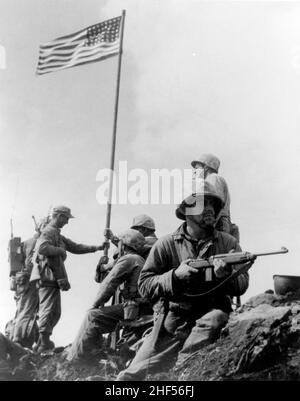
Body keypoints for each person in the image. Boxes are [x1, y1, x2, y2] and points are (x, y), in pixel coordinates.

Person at [116, 182, 251, 381]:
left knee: (213, 321)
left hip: (211, 318)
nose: (210, 209)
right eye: (201, 204)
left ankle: (182, 368)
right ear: (187, 210)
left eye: (212, 204)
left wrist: (227, 276)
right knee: (128, 378)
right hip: (173, 323)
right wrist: (175, 276)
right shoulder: (166, 244)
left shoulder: (228, 243)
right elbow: (144, 285)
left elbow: (243, 284)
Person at [67, 229, 152, 362]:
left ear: (123, 246)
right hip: (141, 307)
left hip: (136, 308)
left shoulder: (129, 259)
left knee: (93, 316)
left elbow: (109, 283)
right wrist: (112, 239)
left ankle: (76, 359)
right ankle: (95, 352)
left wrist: (95, 304)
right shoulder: (138, 259)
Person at [31, 205, 106, 353]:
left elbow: (75, 247)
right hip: (48, 276)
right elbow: (42, 248)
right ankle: (43, 343)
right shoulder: (49, 232)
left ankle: (42, 342)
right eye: (66, 218)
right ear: (58, 216)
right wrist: (60, 250)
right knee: (49, 310)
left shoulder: (57, 234)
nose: (67, 222)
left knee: (54, 311)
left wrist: (96, 247)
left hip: (53, 277)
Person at [11, 217, 49, 349]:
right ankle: (18, 342)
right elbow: (29, 264)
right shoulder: (39, 242)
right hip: (29, 279)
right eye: (46, 226)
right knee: (27, 311)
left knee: (25, 311)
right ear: (41, 227)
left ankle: (31, 340)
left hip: (21, 281)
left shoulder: (26, 242)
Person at [191, 153, 231, 234]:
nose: (194, 172)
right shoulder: (212, 179)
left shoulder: (213, 178)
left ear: (205, 168)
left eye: (196, 168)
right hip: (218, 222)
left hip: (217, 224)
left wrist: (208, 229)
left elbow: (216, 205)